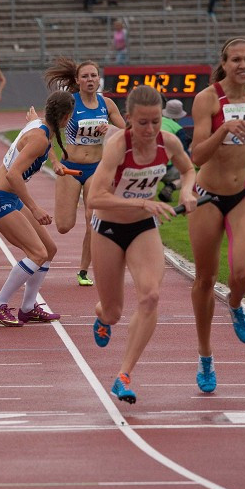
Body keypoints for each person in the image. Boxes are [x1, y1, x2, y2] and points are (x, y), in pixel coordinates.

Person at [87, 85, 197, 403]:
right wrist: (142, 204)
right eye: (142, 123)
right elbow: (95, 197)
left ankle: (124, 375)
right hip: (107, 228)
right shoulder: (118, 147)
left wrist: (187, 191)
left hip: (142, 230)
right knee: (114, 311)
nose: (150, 130)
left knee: (150, 296)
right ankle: (102, 316)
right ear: (129, 120)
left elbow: (189, 170)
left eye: (155, 122)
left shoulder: (169, 142)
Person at [188, 38, 245, 393]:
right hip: (207, 197)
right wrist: (223, 129)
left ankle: (235, 304)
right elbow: (197, 157)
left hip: (244, 193)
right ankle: (205, 357)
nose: (243, 64)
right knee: (205, 279)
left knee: (244, 274)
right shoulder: (208, 100)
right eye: (236, 59)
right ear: (223, 62)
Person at [0, 91, 74, 326]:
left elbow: (40, 139)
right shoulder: (40, 138)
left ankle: (28, 307)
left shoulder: (40, 126)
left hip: (9, 199)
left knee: (49, 249)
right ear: (65, 117)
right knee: (37, 253)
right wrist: (34, 208)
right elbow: (13, 174)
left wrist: (54, 162)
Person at [45, 58, 126, 288]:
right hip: (70, 168)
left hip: (97, 169)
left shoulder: (107, 105)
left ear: (98, 79)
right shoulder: (69, 103)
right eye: (85, 76)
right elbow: (46, 134)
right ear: (77, 81)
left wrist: (109, 128)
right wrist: (54, 162)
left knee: (93, 220)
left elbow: (126, 133)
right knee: (63, 226)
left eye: (93, 76)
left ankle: (83, 270)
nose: (90, 80)